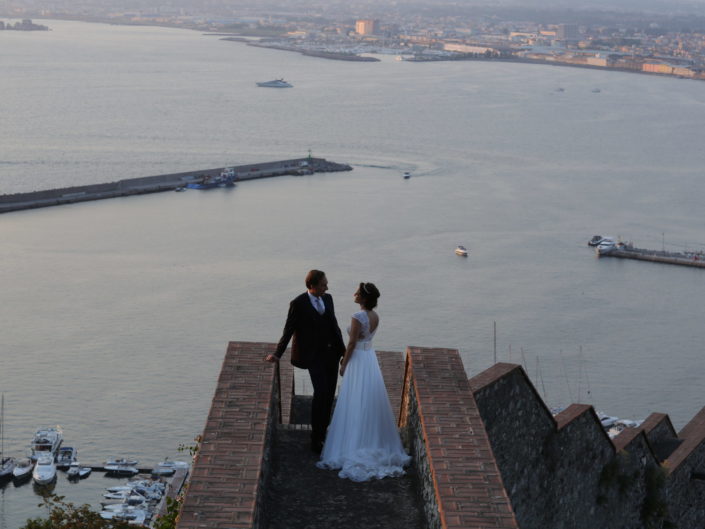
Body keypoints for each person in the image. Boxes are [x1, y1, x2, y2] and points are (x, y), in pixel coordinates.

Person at [316, 282, 411, 481]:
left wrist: (343, 363)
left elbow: (351, 343)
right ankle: (369, 439)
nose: (354, 294)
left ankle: (354, 442)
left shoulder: (358, 316)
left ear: (364, 298)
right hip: (369, 358)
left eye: (357, 293)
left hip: (358, 358)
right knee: (367, 398)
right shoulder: (375, 316)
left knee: (354, 399)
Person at [265, 270, 346, 454]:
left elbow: (334, 326)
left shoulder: (328, 299)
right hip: (313, 356)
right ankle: (316, 438)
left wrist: (344, 353)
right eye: (323, 284)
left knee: (328, 396)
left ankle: (324, 433)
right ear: (313, 286)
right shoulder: (298, 303)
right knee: (320, 392)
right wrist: (277, 354)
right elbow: (289, 330)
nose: (327, 287)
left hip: (331, 354)